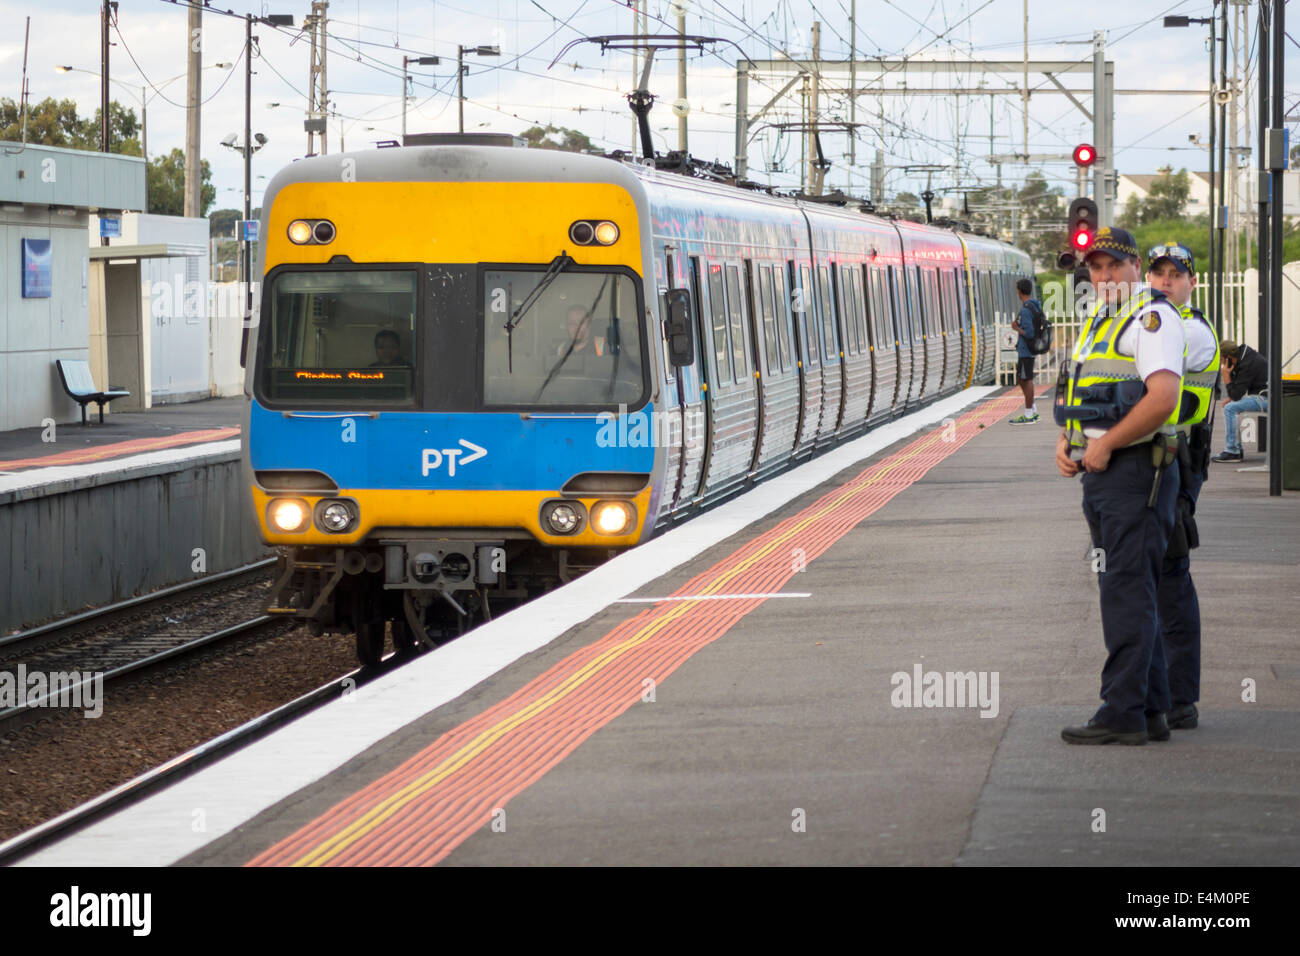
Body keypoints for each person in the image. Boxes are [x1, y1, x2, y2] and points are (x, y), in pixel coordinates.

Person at [1054, 226, 1186, 745]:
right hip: (1107, 474)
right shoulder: (1099, 319)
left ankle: (1121, 712)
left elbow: (1163, 398)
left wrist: (1105, 445)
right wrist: (1068, 442)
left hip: (1136, 472)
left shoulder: (1150, 319)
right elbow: (1084, 392)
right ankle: (1151, 709)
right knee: (1132, 589)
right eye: (1095, 267)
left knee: (1125, 592)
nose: (1104, 275)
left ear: (1136, 269)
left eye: (1114, 265)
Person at [1145, 242, 1220, 732]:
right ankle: (1167, 693)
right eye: (1159, 273)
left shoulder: (1188, 330)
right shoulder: (1161, 323)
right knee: (1161, 577)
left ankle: (1181, 699)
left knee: (1171, 579)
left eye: (1176, 274)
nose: (1167, 281)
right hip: (1165, 460)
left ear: (1192, 281)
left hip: (1178, 461)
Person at [1210, 340, 1268, 462]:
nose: (1221, 363)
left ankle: (1233, 451)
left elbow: (1236, 394)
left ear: (1228, 358)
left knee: (1230, 408)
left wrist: (1226, 376)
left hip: (1266, 398)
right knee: (1229, 405)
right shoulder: (1245, 357)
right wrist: (1231, 397)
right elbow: (1238, 390)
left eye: (1221, 359)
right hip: (1262, 394)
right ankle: (1236, 448)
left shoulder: (1248, 364)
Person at [1009, 278, 1041, 424]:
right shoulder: (1034, 306)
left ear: (1019, 291)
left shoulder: (1026, 309)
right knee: (1025, 379)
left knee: (1025, 380)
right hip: (1028, 350)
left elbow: (1028, 332)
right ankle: (1032, 409)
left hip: (1026, 351)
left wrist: (1016, 328)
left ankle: (1028, 414)